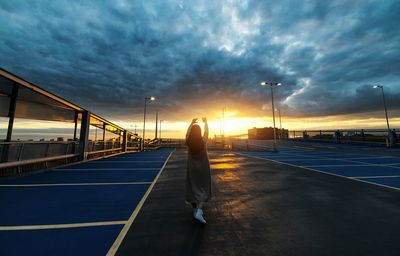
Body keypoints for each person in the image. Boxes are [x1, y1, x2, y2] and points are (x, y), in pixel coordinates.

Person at [185, 117, 211, 224]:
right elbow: (206, 132)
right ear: (199, 132)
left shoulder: (188, 141)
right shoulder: (203, 141)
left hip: (192, 169)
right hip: (203, 168)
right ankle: (199, 211)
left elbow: (187, 134)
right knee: (203, 187)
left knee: (193, 187)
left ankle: (195, 210)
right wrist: (206, 122)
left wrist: (191, 123)